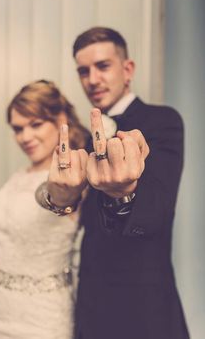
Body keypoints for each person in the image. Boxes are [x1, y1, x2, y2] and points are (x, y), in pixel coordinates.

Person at [36, 27, 190, 339]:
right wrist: (57, 195)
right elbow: (50, 191)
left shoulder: (162, 121)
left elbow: (159, 208)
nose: (92, 79)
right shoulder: (78, 137)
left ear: (127, 69)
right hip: (90, 301)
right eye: (83, 71)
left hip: (144, 306)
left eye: (102, 66)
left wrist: (124, 194)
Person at [0, 79, 90, 339]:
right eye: (18, 128)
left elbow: (57, 196)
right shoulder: (17, 176)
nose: (25, 137)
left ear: (60, 120)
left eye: (35, 124)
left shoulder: (73, 176)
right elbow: (2, 248)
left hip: (43, 321)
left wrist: (61, 194)